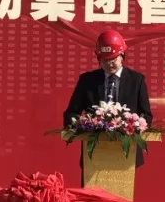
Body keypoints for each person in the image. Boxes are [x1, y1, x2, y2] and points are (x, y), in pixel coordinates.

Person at [63, 30, 154, 169]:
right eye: (104, 60)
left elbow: (146, 115)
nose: (109, 64)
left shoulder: (137, 80)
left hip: (127, 152)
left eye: (113, 59)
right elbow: (71, 113)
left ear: (122, 56)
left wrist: (135, 127)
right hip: (94, 153)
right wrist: (82, 126)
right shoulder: (87, 80)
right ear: (98, 59)